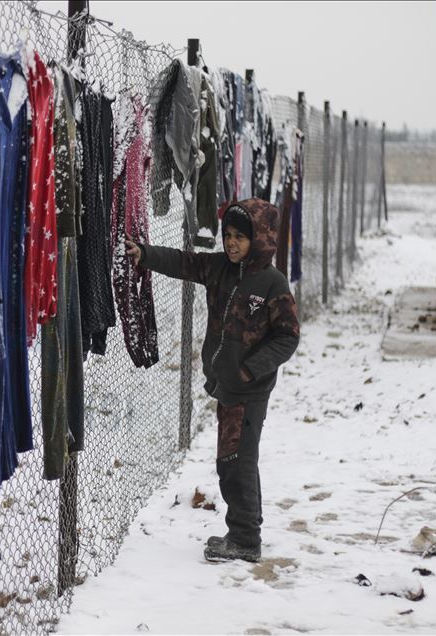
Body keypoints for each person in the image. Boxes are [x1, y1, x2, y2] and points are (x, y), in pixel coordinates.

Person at [125, 198, 300, 563]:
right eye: (228, 235)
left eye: (241, 237)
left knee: (237, 462)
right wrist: (144, 253)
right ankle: (244, 531)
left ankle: (246, 539)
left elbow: (288, 337)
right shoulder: (220, 268)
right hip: (228, 386)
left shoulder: (272, 283)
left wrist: (250, 369)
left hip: (249, 390)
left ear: (262, 239)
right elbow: (184, 262)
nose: (232, 243)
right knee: (234, 461)